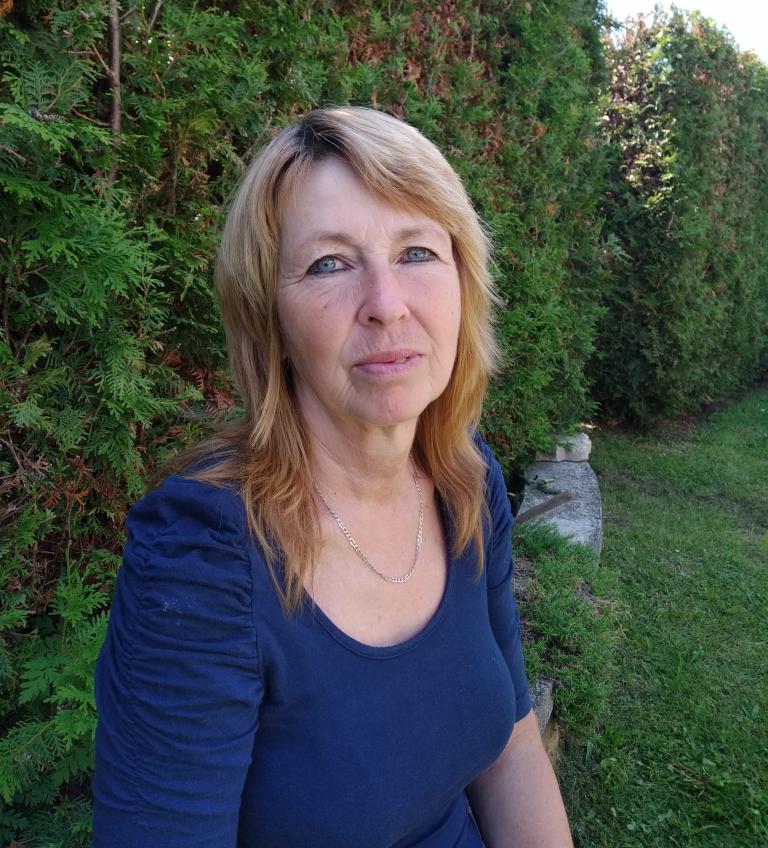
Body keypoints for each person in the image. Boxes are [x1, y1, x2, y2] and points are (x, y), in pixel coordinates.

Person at [92, 106, 575, 847]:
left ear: (463, 284)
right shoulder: (203, 559)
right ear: (272, 323)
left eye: (417, 252)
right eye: (329, 264)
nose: (386, 305)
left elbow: (511, 750)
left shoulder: (465, 479)